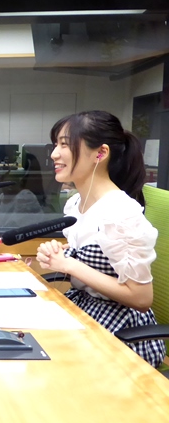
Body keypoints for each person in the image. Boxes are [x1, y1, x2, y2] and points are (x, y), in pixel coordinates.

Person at [36, 110, 165, 367]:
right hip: (85, 310)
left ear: (100, 153)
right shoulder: (76, 203)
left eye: (64, 144)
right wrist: (56, 255)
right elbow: (90, 256)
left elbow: (141, 299)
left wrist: (70, 265)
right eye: (55, 145)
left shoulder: (120, 213)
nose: (54, 154)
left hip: (121, 330)